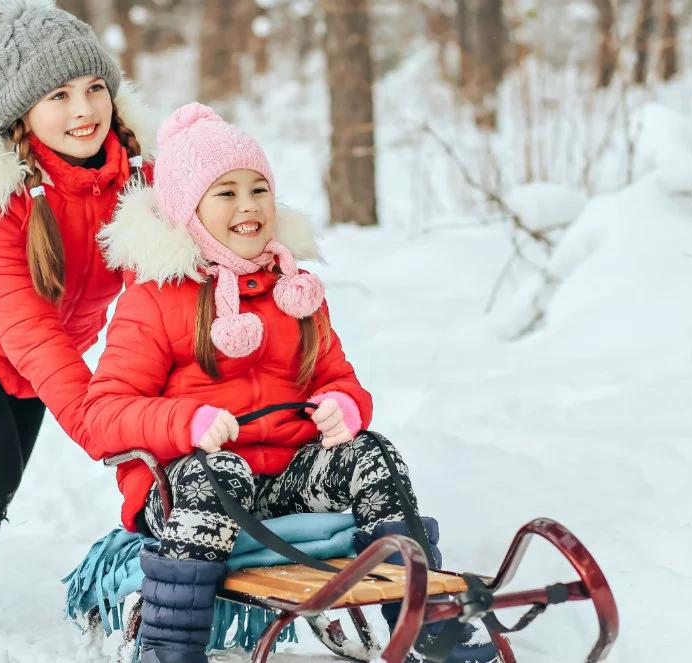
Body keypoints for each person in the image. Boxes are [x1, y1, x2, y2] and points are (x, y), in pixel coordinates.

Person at [82, 103, 498, 663]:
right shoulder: (153, 300)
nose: (249, 206)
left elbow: (339, 379)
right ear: (187, 209)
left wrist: (344, 406)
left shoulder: (296, 292)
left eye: (259, 189)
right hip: (186, 491)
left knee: (371, 454)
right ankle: (170, 646)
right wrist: (186, 423)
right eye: (225, 193)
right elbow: (103, 413)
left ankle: (425, 620)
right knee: (218, 470)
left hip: (284, 479)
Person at [0, 0, 152, 640]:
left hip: (49, 346)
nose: (84, 110)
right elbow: (28, 327)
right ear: (23, 113)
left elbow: (163, 292)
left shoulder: (138, 176)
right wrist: (98, 422)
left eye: (96, 88)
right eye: (59, 95)